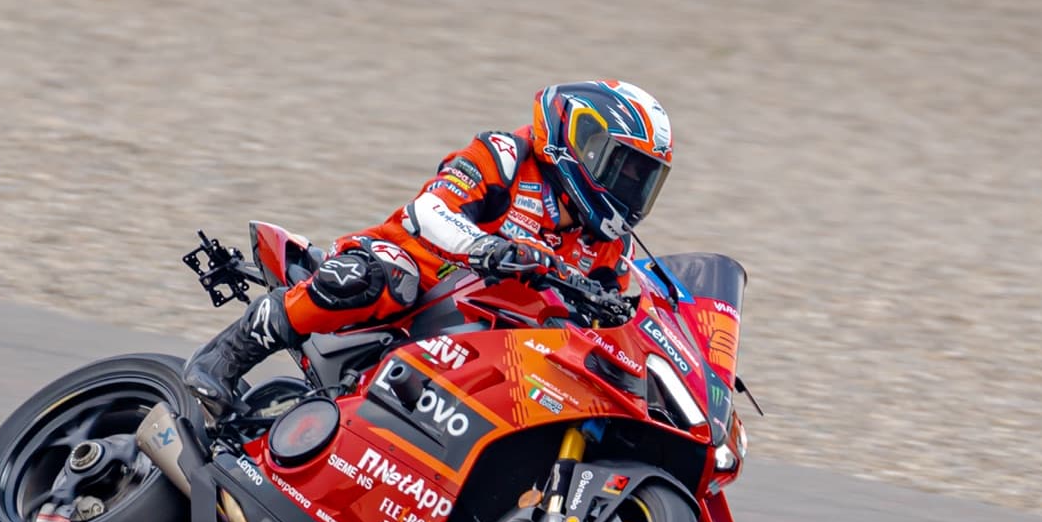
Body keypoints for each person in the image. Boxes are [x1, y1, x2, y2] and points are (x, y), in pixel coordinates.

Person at [183, 80, 674, 414]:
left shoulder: (608, 246)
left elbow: (611, 318)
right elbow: (431, 211)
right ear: (583, 141)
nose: (632, 190)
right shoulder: (507, 157)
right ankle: (225, 355)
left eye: (644, 180)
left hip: (498, 334)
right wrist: (488, 248)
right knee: (379, 277)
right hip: (415, 275)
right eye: (625, 170)